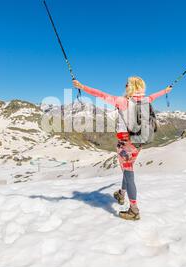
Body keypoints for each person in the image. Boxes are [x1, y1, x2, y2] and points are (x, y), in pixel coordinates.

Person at [73, 76, 171, 220]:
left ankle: (134, 210)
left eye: (127, 84)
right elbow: (155, 95)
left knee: (129, 175)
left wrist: (82, 86)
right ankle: (121, 194)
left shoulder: (123, 102)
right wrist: (166, 90)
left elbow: (100, 94)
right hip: (138, 143)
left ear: (130, 87)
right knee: (127, 170)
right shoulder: (146, 100)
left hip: (125, 144)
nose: (125, 86)